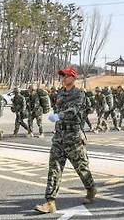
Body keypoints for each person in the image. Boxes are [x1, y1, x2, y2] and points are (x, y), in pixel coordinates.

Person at [35, 67, 96, 214]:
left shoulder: (79, 94)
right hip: (59, 137)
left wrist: (59, 116)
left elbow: (74, 110)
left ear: (73, 78)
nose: (63, 78)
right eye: (62, 76)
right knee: (54, 169)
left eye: (66, 76)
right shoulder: (60, 93)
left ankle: (91, 189)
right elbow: (56, 108)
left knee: (82, 168)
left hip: (73, 137)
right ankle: (50, 202)